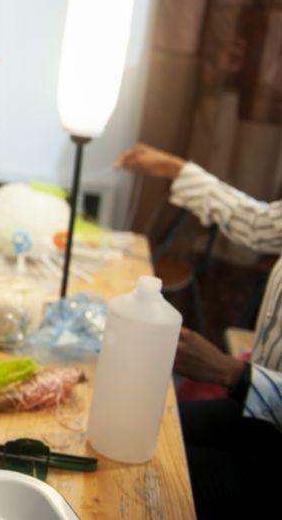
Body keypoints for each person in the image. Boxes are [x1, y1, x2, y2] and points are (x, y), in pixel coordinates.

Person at [116, 142, 281, 517]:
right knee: (132, 434)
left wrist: (233, 373)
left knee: (145, 482)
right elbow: (256, 222)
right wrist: (175, 168)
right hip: (258, 415)